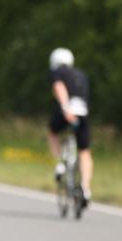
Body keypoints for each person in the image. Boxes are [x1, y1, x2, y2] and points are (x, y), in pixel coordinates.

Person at [46, 47, 93, 208]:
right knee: (84, 151)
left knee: (53, 132)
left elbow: (59, 88)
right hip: (83, 113)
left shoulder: (58, 72)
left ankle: (59, 163)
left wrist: (66, 108)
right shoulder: (81, 75)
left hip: (68, 111)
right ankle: (86, 188)